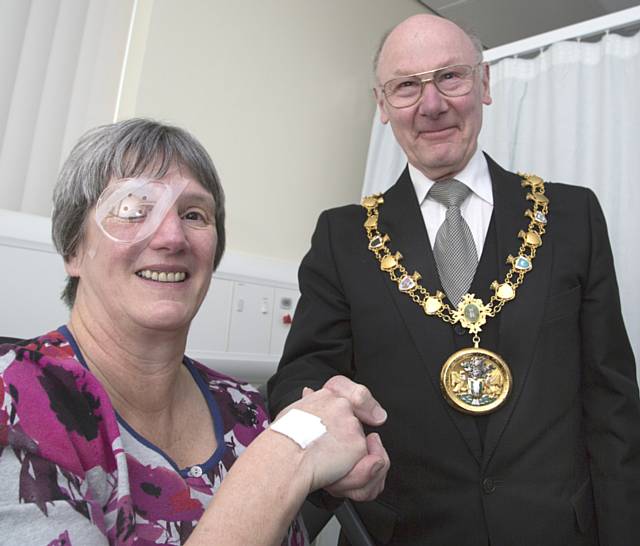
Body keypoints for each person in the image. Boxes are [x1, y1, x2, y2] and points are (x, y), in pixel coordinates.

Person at [268, 14, 640, 546]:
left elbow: (613, 405)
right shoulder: (342, 237)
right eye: (406, 86)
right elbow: (298, 378)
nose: (432, 103)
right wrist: (327, 442)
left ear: (484, 84)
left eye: (450, 76)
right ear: (381, 104)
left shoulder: (570, 216)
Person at [0, 118, 390, 545]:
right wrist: (285, 457)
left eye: (193, 214)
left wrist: (331, 467)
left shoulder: (244, 409)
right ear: (73, 249)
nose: (172, 237)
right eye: (133, 209)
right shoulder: (13, 403)